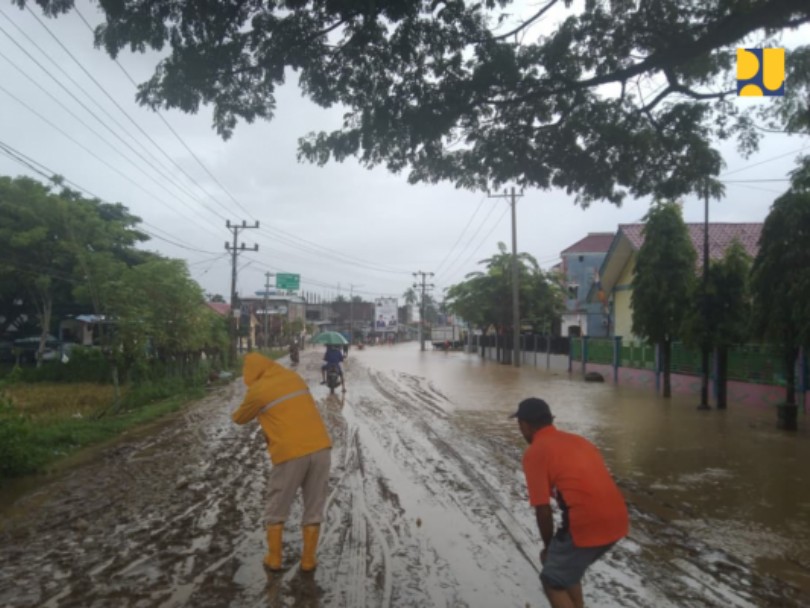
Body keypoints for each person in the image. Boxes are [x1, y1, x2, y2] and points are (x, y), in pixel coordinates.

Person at [511, 398, 628, 608]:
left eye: (520, 426)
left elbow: (543, 510)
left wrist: (548, 548)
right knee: (566, 567)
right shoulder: (579, 441)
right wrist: (554, 550)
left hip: (588, 522)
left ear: (524, 425)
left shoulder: (536, 452)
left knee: (552, 580)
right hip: (618, 519)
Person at [231, 353, 332, 572]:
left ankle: (274, 558)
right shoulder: (293, 378)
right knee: (314, 506)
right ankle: (308, 561)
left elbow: (239, 418)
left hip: (291, 453)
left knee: (277, 504)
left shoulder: (258, 391)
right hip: (321, 447)